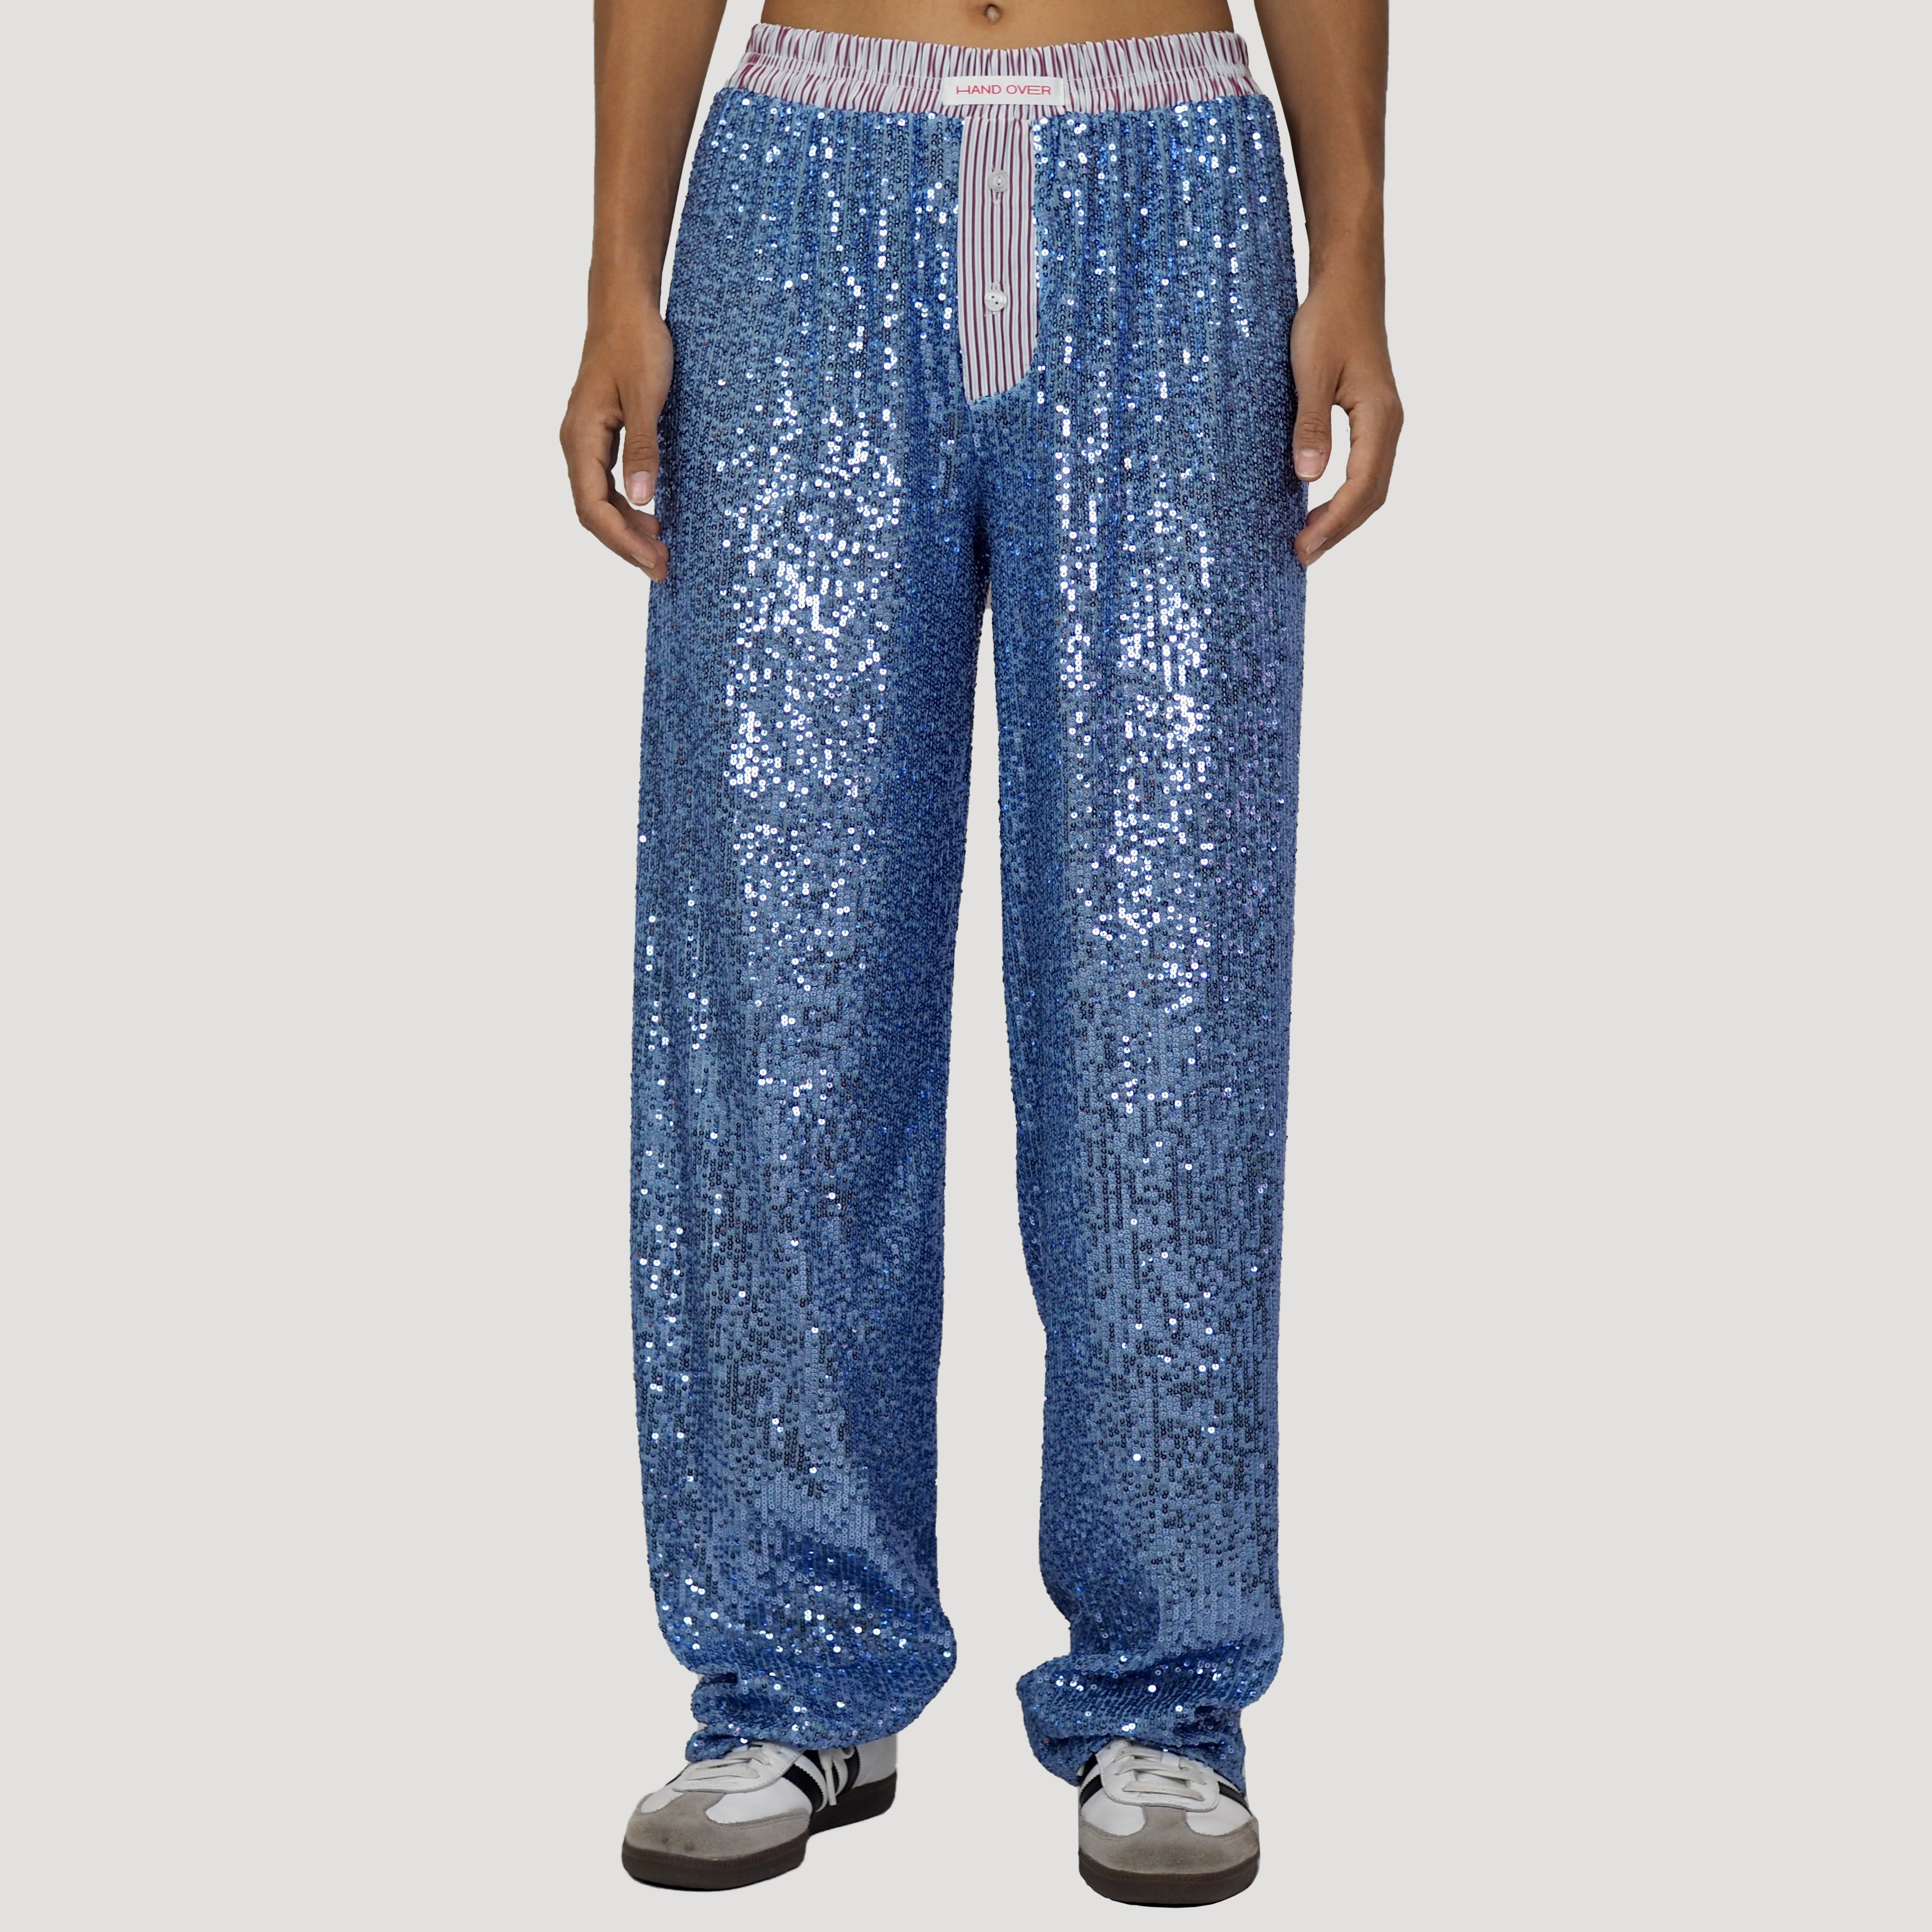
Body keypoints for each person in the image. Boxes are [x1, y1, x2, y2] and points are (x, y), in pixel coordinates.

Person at [560, 0, 1400, 1904]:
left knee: (1166, 986)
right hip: (805, 185)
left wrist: (1352, 242)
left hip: (1170, 182)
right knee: (779, 976)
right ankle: (796, 1664)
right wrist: (618, 259)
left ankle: (1164, 1691)